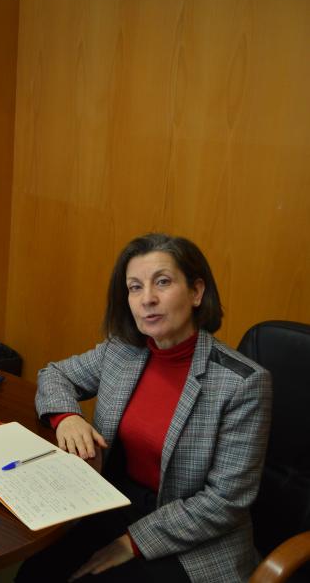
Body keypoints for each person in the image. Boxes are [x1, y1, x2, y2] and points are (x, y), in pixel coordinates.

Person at [15, 233, 272, 583]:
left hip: (195, 534)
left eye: (162, 282)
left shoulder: (242, 382)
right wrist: (67, 417)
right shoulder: (123, 351)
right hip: (118, 503)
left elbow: (225, 502)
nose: (147, 299)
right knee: (35, 573)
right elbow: (55, 374)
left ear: (197, 292)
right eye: (135, 288)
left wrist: (133, 542)